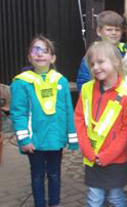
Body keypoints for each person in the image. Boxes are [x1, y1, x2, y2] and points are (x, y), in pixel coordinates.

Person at [10, 35, 78, 207]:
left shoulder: (60, 81)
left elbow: (68, 111)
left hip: (56, 140)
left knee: (55, 174)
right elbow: (19, 113)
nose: (40, 54)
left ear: (52, 58)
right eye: (35, 50)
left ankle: (55, 203)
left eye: (45, 51)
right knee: (38, 175)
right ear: (29, 57)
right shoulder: (21, 83)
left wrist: (72, 138)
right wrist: (24, 139)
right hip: (35, 141)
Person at [74, 41, 127, 207]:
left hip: (116, 158)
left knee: (116, 197)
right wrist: (87, 151)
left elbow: (126, 130)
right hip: (92, 156)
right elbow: (79, 119)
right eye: (92, 64)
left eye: (100, 62)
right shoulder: (86, 89)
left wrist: (108, 155)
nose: (96, 67)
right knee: (94, 198)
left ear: (115, 62)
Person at [76, 10, 126, 91]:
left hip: (124, 99)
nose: (114, 33)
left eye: (117, 30)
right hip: (100, 99)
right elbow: (83, 81)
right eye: (109, 30)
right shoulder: (92, 54)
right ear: (99, 31)